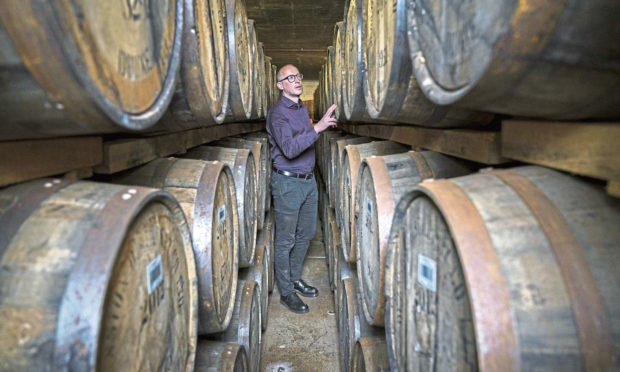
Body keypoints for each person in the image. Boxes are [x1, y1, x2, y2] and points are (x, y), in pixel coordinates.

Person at [266, 64, 337, 313]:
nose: (297, 80)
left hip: (308, 182)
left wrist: (316, 126)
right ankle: (286, 292)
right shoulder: (277, 114)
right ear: (280, 85)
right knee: (285, 240)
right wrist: (318, 127)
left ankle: (295, 278)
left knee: (306, 234)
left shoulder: (300, 108)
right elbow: (290, 149)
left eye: (298, 76)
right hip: (287, 183)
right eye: (290, 77)